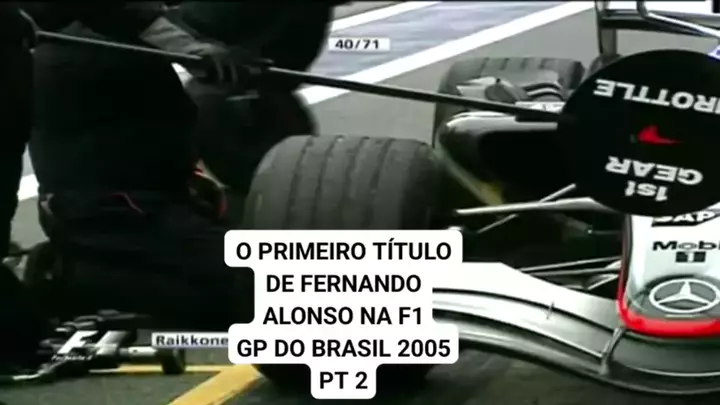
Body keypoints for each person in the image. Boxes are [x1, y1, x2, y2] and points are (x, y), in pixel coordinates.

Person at [27, 2, 255, 331]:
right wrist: (205, 57)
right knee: (263, 283)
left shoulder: (95, 40)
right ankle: (73, 280)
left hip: (138, 205)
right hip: (120, 214)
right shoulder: (91, 50)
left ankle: (83, 276)